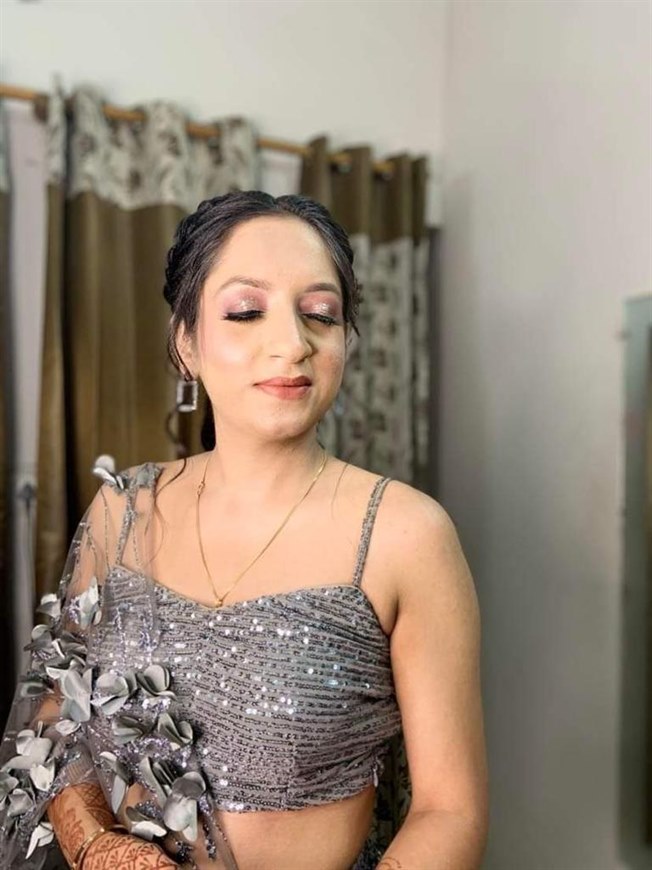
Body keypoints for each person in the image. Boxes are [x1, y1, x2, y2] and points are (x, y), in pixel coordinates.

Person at [0, 192, 488, 869]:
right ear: (187, 343)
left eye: (320, 314)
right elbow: (57, 717)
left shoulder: (406, 534)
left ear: (345, 341)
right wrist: (100, 848)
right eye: (246, 311)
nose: (292, 343)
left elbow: (450, 809)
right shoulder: (123, 511)